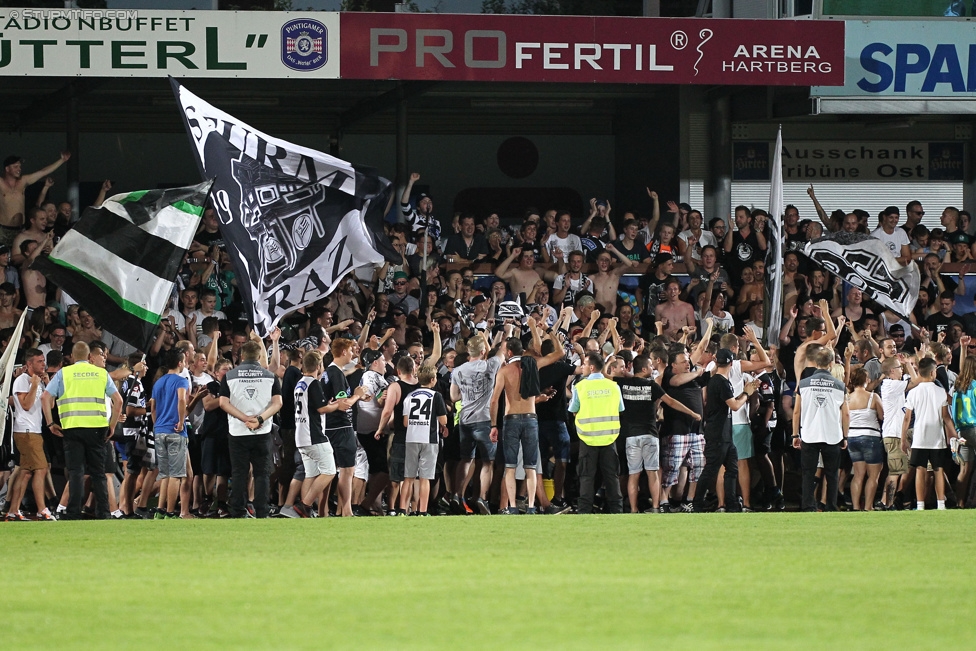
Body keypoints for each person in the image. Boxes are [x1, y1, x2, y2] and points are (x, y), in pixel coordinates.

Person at [41, 341, 123, 520]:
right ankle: (103, 512)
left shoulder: (64, 373)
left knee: (76, 472)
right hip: (97, 428)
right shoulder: (101, 373)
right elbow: (119, 401)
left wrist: (50, 423)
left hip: (71, 428)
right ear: (89, 357)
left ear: (72, 356)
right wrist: (112, 425)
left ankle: (73, 512)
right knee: (98, 473)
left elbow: (45, 397)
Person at [614, 354, 701, 514]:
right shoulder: (652, 385)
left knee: (633, 475)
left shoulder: (623, 383)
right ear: (644, 369)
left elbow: (606, 374)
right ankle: (655, 507)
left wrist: (613, 358)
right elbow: (671, 402)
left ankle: (633, 509)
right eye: (650, 366)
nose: (653, 368)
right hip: (649, 435)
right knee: (652, 473)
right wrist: (692, 413)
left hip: (631, 436)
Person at [219, 341, 282, 519]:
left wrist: (243, 418)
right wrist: (259, 419)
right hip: (261, 431)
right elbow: (278, 403)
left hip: (238, 431)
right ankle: (261, 511)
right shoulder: (270, 376)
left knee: (239, 473)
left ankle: (238, 511)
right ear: (259, 356)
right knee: (261, 473)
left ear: (242, 356)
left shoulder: (230, 376)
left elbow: (223, 403)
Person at [692, 349, 758, 513]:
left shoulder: (719, 380)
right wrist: (746, 393)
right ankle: (697, 505)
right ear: (731, 363)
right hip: (718, 434)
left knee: (732, 469)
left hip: (724, 433)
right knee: (711, 470)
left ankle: (732, 505)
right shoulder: (720, 381)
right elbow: (735, 406)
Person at [450, 333, 505, 515]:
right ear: (482, 351)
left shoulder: (457, 370)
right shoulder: (490, 365)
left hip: (465, 419)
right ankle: (482, 497)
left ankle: (457, 494)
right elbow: (502, 353)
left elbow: (453, 396)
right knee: (488, 463)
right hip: (484, 420)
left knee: (466, 459)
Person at [793, 346, 849, 512]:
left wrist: (795, 433)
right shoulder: (839, 385)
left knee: (808, 473)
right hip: (832, 435)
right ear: (831, 363)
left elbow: (796, 411)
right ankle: (831, 505)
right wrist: (845, 436)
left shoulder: (803, 384)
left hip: (810, 434)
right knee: (832, 474)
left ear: (815, 362)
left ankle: (808, 505)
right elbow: (845, 414)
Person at [569, 352, 624, 514]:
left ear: (591, 367)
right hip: (609, 438)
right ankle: (617, 511)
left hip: (588, 438)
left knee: (586, 477)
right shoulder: (613, 386)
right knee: (612, 477)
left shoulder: (581, 387)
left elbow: (573, 410)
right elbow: (620, 409)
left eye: (584, 365)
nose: (582, 367)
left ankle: (584, 511)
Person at [902, 357, 958, 510]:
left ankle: (920, 505)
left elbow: (907, 418)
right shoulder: (940, 392)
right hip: (937, 438)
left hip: (920, 437)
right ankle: (941, 504)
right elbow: (946, 417)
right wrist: (955, 436)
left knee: (920, 470)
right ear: (933, 372)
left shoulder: (913, 392)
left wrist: (903, 439)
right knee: (938, 470)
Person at [321, 338, 369, 517]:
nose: (353, 353)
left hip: (330, 427)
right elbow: (343, 404)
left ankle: (326, 510)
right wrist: (357, 396)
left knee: (331, 471)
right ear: (343, 352)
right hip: (340, 427)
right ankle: (347, 511)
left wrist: (359, 397)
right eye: (350, 350)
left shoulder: (330, 372)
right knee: (347, 470)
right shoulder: (336, 373)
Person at [5, 349, 53, 521]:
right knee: (41, 469)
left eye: (43, 360)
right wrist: (34, 385)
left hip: (34, 431)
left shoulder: (38, 381)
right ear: (29, 364)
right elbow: (25, 404)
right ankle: (42, 509)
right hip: (26, 432)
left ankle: (13, 510)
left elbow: (51, 405)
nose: (43, 364)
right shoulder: (22, 380)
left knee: (26, 472)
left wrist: (47, 386)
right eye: (39, 361)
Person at [289, 351, 336, 519]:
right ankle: (305, 504)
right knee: (330, 471)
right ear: (318, 366)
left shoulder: (300, 383)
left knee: (310, 473)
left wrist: (328, 404)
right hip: (313, 435)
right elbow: (321, 409)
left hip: (301, 436)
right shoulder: (313, 383)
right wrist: (337, 406)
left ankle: (303, 513)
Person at [400, 363, 448, 516]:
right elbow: (443, 420)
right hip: (429, 439)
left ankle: (402, 509)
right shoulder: (436, 396)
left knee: (408, 477)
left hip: (411, 438)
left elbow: (405, 422)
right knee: (425, 478)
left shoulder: (409, 396)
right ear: (433, 379)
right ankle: (422, 511)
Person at [150, 349, 190, 519]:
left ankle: (160, 510)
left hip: (159, 431)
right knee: (176, 475)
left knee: (165, 474)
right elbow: (181, 399)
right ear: (180, 363)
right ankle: (170, 512)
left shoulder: (158, 382)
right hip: (175, 432)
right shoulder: (181, 381)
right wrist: (181, 422)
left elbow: (152, 408)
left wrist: (157, 425)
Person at [0, 152, 70, 247]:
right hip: (3, 230)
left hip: (21, 230)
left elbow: (43, 172)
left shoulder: (23, 181)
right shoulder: (1, 183)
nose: (19, 169)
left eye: (20, 166)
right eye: (15, 167)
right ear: (7, 169)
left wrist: (62, 160)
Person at [846, 367, 885, 511]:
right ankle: (868, 506)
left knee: (858, 475)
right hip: (870, 437)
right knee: (873, 475)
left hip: (852, 438)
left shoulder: (848, 398)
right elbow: (882, 416)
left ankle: (856, 507)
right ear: (866, 380)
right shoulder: (873, 397)